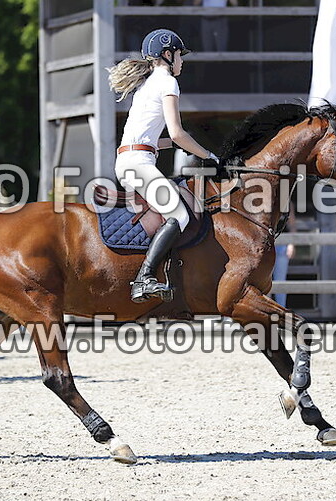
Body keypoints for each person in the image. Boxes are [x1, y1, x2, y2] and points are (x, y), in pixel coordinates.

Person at [108, 29, 220, 303]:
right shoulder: (168, 82)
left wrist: (178, 144)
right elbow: (178, 133)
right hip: (138, 163)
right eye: (180, 54)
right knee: (180, 215)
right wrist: (208, 155)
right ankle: (144, 278)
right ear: (168, 55)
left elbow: (161, 140)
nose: (182, 61)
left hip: (131, 159)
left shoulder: (147, 84)